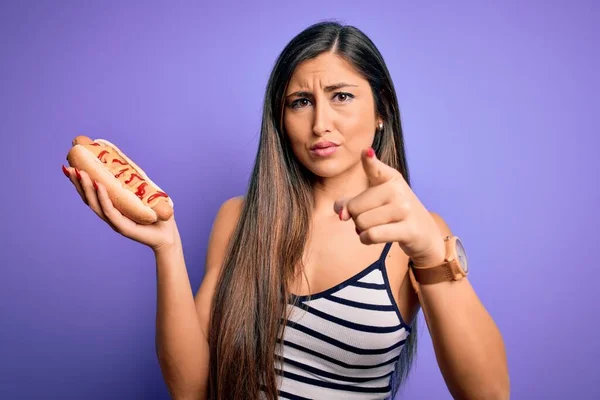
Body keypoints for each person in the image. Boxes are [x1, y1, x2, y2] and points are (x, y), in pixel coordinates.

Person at [62, 21, 509, 400]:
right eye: (301, 102)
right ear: (280, 118)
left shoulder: (416, 234)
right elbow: (191, 389)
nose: (320, 123)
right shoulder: (238, 220)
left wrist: (433, 254)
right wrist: (167, 246)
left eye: (342, 96)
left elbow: (489, 395)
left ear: (381, 112)